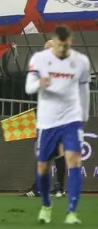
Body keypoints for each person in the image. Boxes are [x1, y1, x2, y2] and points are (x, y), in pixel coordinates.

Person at [27, 25, 91, 225]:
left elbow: (84, 89)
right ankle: (46, 205)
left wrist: (83, 116)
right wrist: (40, 84)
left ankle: (71, 211)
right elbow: (29, 86)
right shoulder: (39, 60)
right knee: (44, 165)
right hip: (48, 120)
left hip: (71, 118)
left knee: (73, 158)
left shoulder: (80, 62)